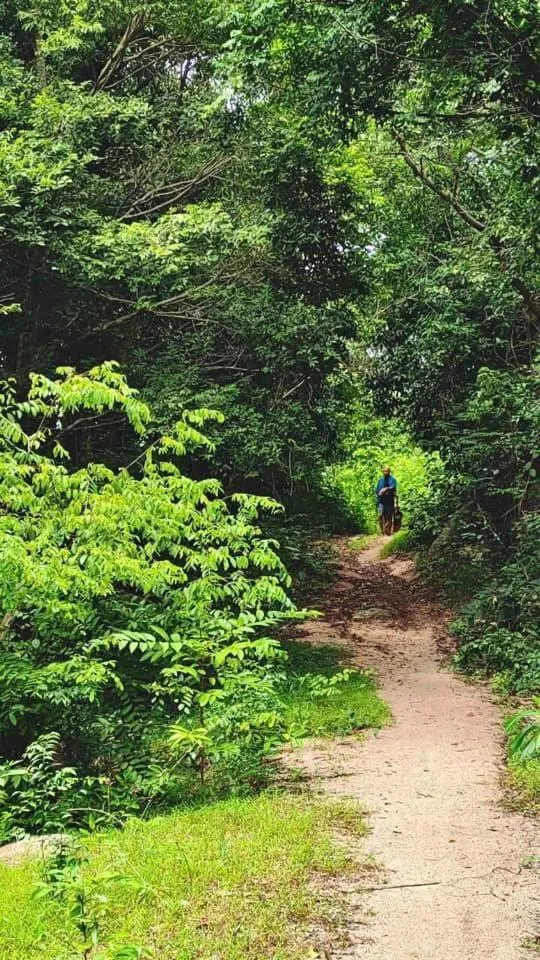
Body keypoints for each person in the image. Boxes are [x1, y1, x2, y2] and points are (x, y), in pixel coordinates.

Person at [375, 466, 397, 536]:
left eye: (386, 471)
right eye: (384, 471)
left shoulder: (393, 480)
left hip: (389, 501)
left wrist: (386, 489)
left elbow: (393, 487)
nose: (385, 473)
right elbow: (377, 490)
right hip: (381, 501)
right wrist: (379, 494)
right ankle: (382, 531)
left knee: (389, 517)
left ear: (389, 472)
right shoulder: (380, 481)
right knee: (380, 515)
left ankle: (388, 531)